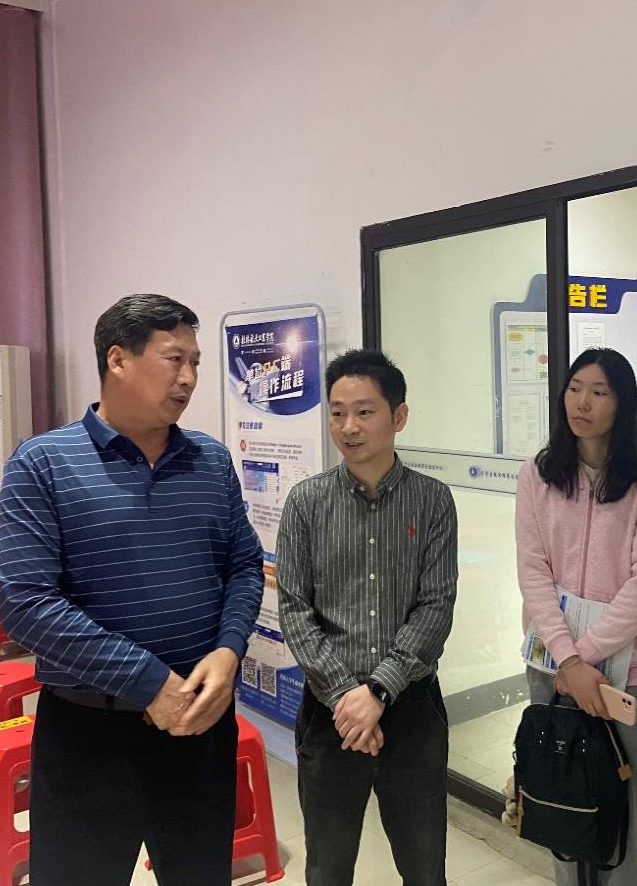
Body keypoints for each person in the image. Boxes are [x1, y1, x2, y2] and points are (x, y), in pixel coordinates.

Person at [0, 293, 265, 885]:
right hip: (89, 731)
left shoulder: (211, 461)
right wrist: (149, 683)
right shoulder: (43, 464)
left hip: (199, 725)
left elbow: (244, 566)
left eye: (195, 362)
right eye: (174, 359)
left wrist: (228, 651)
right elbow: (25, 604)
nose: (188, 378)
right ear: (118, 359)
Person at [277, 349, 458, 886]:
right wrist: (346, 698)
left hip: (412, 708)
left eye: (364, 412)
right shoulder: (306, 503)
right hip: (331, 712)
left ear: (398, 417)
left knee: (424, 868)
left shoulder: (432, 501)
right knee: (328, 868)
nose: (348, 427)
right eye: (337, 413)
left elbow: (436, 606)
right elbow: (294, 610)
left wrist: (378, 691)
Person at [516, 347, 637, 886]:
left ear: (621, 403)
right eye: (575, 388)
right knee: (560, 798)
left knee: (629, 808)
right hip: (552, 667)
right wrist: (567, 661)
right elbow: (533, 572)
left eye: (599, 392)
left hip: (630, 673)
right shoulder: (538, 474)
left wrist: (583, 659)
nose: (581, 402)